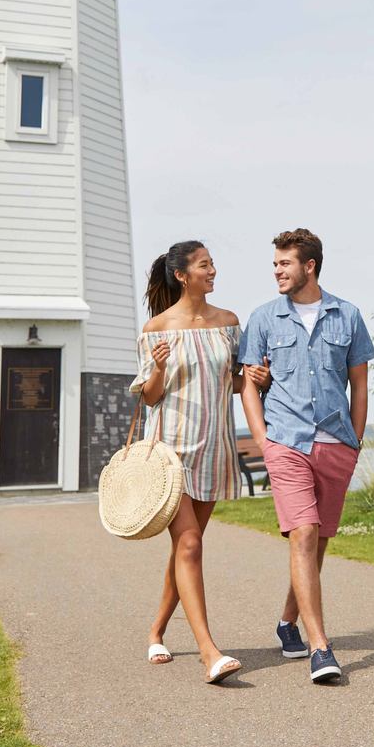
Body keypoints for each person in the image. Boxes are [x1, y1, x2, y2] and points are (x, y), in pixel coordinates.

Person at [238, 227, 374, 683]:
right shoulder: (262, 319)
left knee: (317, 543)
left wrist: (355, 441)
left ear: (309, 266)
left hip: (336, 442)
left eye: (285, 263)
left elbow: (360, 384)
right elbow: (248, 386)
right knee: (304, 533)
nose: (277, 271)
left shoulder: (348, 316)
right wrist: (262, 440)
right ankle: (321, 649)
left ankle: (287, 623)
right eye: (275, 263)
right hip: (286, 441)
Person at [131, 240, 268, 684]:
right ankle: (210, 653)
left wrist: (254, 378)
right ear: (182, 275)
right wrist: (156, 368)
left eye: (212, 264)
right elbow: (150, 396)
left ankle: (156, 629)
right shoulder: (157, 328)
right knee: (189, 545)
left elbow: (231, 383)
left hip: (215, 448)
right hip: (172, 451)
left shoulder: (228, 323)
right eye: (205, 265)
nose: (213, 271)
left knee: (184, 548)